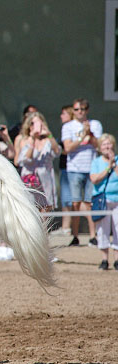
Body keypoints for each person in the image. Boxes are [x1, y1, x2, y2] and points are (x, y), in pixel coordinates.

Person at [62, 98, 102, 247]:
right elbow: (67, 148)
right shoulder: (68, 127)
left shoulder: (95, 124)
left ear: (87, 110)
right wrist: (81, 137)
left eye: (83, 109)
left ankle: (93, 236)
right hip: (74, 169)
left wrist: (89, 133)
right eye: (77, 109)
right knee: (75, 203)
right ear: (73, 110)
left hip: (91, 168)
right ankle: (75, 236)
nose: (80, 112)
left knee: (90, 203)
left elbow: (98, 146)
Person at [14, 111, 60, 210]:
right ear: (29, 126)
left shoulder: (48, 140)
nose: (36, 126)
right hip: (30, 178)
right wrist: (33, 139)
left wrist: (49, 135)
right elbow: (27, 158)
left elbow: (57, 152)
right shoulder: (25, 140)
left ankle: (44, 226)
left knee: (47, 207)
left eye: (39, 123)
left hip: (46, 178)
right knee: (31, 207)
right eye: (33, 123)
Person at [90, 134, 118, 271]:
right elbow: (94, 179)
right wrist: (108, 168)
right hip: (102, 200)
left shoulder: (117, 161)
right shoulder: (96, 162)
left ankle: (117, 260)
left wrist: (114, 163)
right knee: (103, 230)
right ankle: (104, 259)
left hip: (117, 200)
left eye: (109, 144)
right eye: (104, 145)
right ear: (100, 148)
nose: (107, 147)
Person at [58, 105, 75, 239]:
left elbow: (65, 150)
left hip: (72, 168)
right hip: (65, 167)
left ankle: (67, 228)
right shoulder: (66, 129)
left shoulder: (71, 129)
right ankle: (66, 227)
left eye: (64, 114)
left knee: (71, 200)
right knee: (66, 200)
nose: (61, 116)